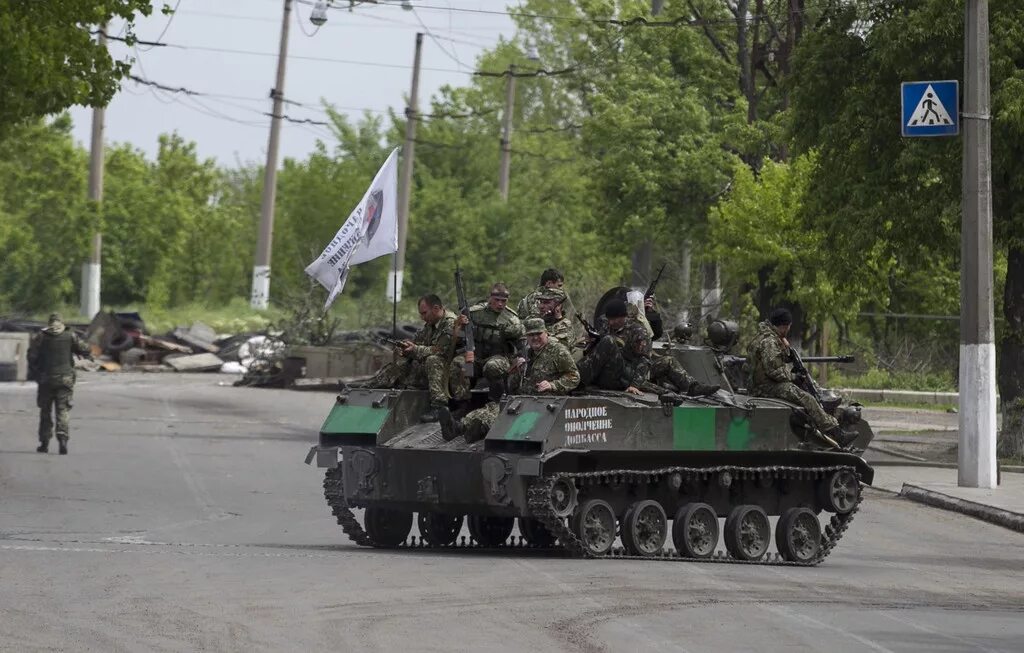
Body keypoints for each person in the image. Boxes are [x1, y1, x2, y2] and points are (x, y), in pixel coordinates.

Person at [440, 318, 579, 442]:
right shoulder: (528, 352)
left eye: (538, 334)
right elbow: (514, 384)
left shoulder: (558, 351)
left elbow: (574, 376)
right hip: (522, 398)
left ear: (546, 333)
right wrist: (515, 370)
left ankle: (479, 429)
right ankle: (458, 428)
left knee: (504, 416)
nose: (535, 338)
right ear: (526, 337)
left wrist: (553, 385)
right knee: (494, 408)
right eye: (531, 335)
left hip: (545, 402)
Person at [747, 308, 854, 448]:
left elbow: (773, 362)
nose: (789, 330)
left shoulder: (765, 337)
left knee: (805, 388)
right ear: (784, 326)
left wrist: (785, 351)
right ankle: (836, 433)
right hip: (765, 386)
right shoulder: (769, 342)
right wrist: (793, 377)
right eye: (789, 327)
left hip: (762, 383)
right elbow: (774, 371)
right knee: (806, 398)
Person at [363, 294, 455, 422]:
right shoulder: (431, 323)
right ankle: (369, 387)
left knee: (432, 360)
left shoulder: (450, 324)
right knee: (402, 364)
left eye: (424, 313)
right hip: (430, 364)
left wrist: (415, 349)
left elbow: (439, 350)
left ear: (436, 308)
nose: (422, 318)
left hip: (448, 367)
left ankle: (439, 408)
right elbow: (419, 341)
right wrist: (407, 348)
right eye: (420, 314)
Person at [28, 313, 91, 454]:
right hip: (65, 380)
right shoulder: (70, 335)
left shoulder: (41, 337)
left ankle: (44, 443)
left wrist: (37, 371)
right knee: (63, 410)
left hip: (46, 380)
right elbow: (85, 349)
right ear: (61, 323)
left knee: (45, 412)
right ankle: (62, 439)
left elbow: (31, 357)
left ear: (49, 323)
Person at [451, 283, 526, 401]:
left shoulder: (512, 320)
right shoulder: (474, 313)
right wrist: (459, 325)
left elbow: (521, 344)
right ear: (490, 298)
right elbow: (458, 338)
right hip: (474, 357)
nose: (500, 304)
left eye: (503, 301)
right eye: (497, 300)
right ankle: (462, 402)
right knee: (459, 363)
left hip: (499, 357)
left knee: (492, 367)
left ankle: (495, 404)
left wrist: (521, 360)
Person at [576, 299, 650, 395]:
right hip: (606, 373)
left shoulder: (638, 331)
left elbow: (644, 360)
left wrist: (634, 385)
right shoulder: (606, 326)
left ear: (624, 316)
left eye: (614, 319)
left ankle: (578, 380)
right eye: (609, 319)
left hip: (624, 377)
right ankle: (574, 376)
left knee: (608, 340)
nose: (611, 323)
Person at [536, 287, 575, 352]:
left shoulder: (564, 325)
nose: (541, 306)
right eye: (541, 302)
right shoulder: (540, 322)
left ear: (558, 306)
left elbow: (557, 349)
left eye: (546, 303)